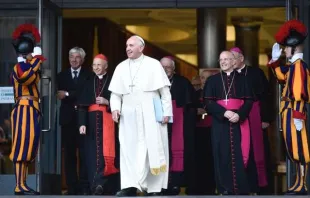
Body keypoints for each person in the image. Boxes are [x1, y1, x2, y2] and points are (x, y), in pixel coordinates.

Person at [108, 35, 172, 196]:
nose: (128, 48)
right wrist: (115, 108)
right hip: (128, 115)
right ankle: (130, 185)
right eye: (126, 45)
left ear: (141, 48)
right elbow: (115, 94)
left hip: (151, 112)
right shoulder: (121, 67)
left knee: (153, 149)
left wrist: (167, 113)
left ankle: (154, 188)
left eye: (131, 45)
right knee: (129, 150)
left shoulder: (153, 64)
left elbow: (165, 93)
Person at [267, 19, 310, 195]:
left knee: (300, 149)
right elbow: (280, 77)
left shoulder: (299, 67)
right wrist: (275, 61)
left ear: (294, 48)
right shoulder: (293, 66)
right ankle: (297, 184)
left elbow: (299, 93)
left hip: (294, 112)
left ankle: (302, 185)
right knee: (293, 149)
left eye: (286, 48)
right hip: (289, 112)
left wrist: (298, 116)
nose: (284, 50)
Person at [204, 51, 255, 195]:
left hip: (239, 122)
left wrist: (239, 115)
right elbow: (207, 102)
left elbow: (249, 100)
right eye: (221, 59)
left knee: (240, 153)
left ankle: (241, 188)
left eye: (226, 59)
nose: (223, 62)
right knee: (221, 153)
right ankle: (224, 188)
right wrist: (224, 113)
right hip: (220, 123)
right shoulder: (212, 80)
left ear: (234, 61)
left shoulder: (244, 80)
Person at [10, 24, 45, 195]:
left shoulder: (28, 65)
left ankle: (23, 183)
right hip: (24, 108)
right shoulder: (20, 68)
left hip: (31, 108)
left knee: (29, 145)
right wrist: (36, 60)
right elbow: (27, 78)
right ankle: (18, 184)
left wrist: (36, 61)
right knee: (21, 145)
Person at [230, 47, 271, 193]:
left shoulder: (256, 73)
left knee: (256, 150)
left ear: (241, 59)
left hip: (255, 115)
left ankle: (260, 186)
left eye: (233, 58)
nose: (230, 61)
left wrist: (265, 118)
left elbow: (266, 97)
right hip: (237, 117)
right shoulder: (229, 75)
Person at [77, 54, 120, 195]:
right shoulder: (88, 81)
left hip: (108, 121)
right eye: (94, 65)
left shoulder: (114, 81)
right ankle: (95, 185)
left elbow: (121, 100)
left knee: (107, 153)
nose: (96, 68)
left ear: (106, 66)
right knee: (92, 154)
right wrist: (82, 123)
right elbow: (82, 105)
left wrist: (108, 102)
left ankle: (106, 185)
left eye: (99, 65)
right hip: (91, 122)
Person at [57, 47, 92, 195]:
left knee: (84, 154)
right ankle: (72, 187)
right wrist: (70, 94)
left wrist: (67, 93)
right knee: (69, 155)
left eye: (77, 57)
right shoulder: (61, 76)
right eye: (71, 56)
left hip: (84, 119)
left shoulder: (89, 75)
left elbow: (85, 94)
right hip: (68, 120)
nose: (74, 60)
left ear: (83, 60)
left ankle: (84, 186)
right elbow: (58, 95)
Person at [160, 56, 196, 195]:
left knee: (177, 152)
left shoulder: (183, 82)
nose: (165, 69)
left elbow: (191, 105)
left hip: (178, 125)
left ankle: (175, 183)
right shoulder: (153, 83)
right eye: (162, 67)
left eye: (168, 67)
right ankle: (160, 184)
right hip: (160, 124)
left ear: (173, 69)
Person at [191, 74, 216, 195]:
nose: (204, 80)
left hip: (212, 129)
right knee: (198, 159)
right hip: (197, 130)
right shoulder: (194, 93)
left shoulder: (215, 91)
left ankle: (211, 187)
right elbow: (188, 107)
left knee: (211, 159)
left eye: (207, 77)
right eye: (202, 77)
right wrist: (196, 110)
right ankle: (197, 187)